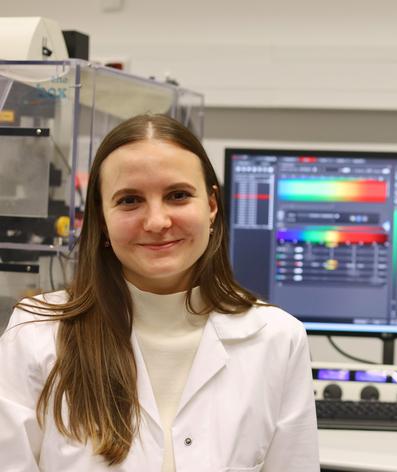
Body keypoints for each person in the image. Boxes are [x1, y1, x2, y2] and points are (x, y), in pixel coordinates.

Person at [0, 114, 320, 471]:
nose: (157, 222)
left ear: (211, 206)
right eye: (129, 200)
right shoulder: (34, 334)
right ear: (101, 218)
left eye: (178, 195)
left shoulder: (277, 338)